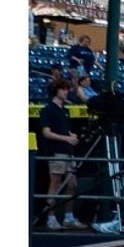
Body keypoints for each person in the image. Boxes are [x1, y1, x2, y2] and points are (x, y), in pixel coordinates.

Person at [36, 77, 85, 230]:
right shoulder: (48, 110)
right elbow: (46, 132)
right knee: (55, 183)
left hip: (68, 151)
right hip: (56, 151)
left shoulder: (64, 110)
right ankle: (51, 218)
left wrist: (71, 136)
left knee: (72, 184)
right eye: (63, 89)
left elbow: (64, 129)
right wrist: (67, 138)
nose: (66, 92)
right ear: (56, 91)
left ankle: (68, 217)